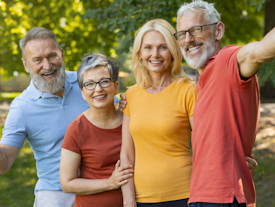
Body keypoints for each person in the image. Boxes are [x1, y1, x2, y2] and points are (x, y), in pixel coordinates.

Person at [0, 27, 120, 207]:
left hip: (100, 186)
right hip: (55, 194)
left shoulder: (88, 83)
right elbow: (4, 163)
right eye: (37, 60)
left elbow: (120, 111)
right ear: (26, 65)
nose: (47, 66)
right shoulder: (22, 107)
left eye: (51, 56)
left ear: (62, 54)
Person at [173, 0, 273, 206]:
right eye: (182, 34)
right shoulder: (200, 83)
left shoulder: (226, 61)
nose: (188, 40)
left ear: (218, 31)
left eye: (196, 30)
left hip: (223, 198)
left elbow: (261, 50)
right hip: (202, 197)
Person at [120, 19, 197, 207]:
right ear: (139, 54)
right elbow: (126, 156)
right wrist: (128, 198)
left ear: (173, 52)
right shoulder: (130, 95)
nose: (155, 54)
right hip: (142, 197)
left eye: (163, 47)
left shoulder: (188, 90)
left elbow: (206, 143)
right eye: (148, 47)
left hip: (184, 194)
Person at [59, 53, 133, 207]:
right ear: (82, 93)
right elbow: (67, 183)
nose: (98, 89)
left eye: (104, 81)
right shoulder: (77, 129)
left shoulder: (131, 117)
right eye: (90, 84)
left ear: (116, 86)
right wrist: (109, 183)